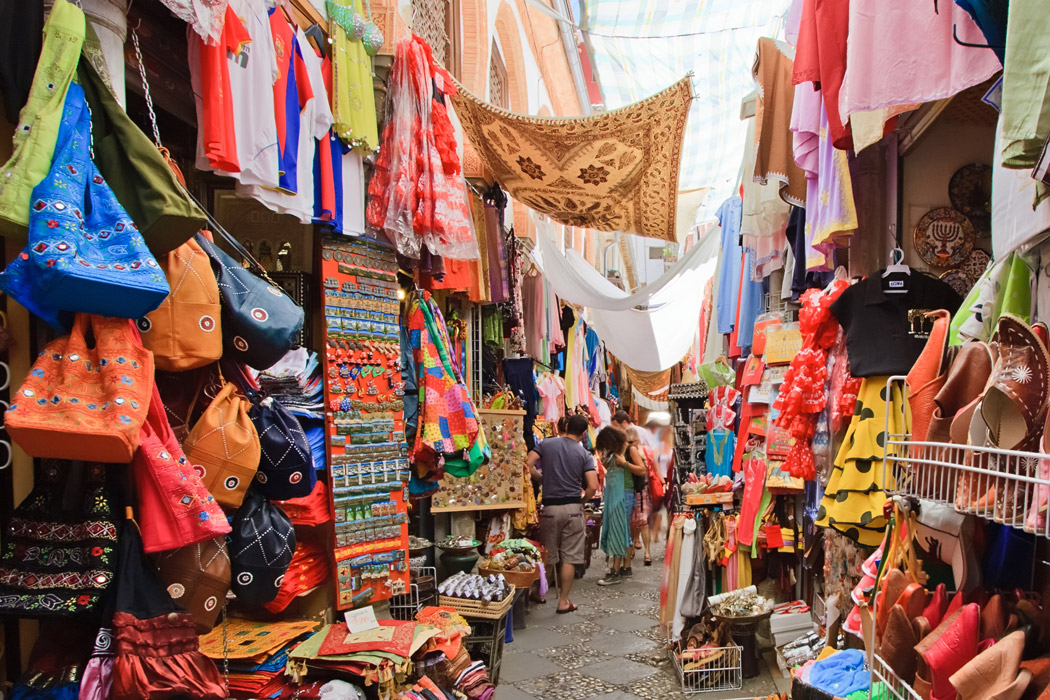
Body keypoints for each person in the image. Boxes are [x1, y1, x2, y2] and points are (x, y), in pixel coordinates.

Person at [527, 414, 598, 614]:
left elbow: (528, 462)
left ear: (565, 426)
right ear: (584, 433)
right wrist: (582, 502)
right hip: (573, 509)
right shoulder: (585, 454)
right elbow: (593, 486)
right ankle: (564, 601)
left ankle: (540, 594)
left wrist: (541, 479)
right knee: (570, 557)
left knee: (548, 553)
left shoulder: (547, 444)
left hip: (549, 508)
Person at [595, 425, 631, 586]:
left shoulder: (618, 456)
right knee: (614, 532)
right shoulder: (614, 455)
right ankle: (615, 569)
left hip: (617, 499)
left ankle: (615, 571)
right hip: (613, 498)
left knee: (616, 532)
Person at [623, 427, 652, 573]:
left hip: (634, 489)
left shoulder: (631, 451)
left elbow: (642, 470)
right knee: (642, 522)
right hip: (641, 489)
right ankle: (646, 552)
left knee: (632, 522)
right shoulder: (644, 450)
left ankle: (632, 549)